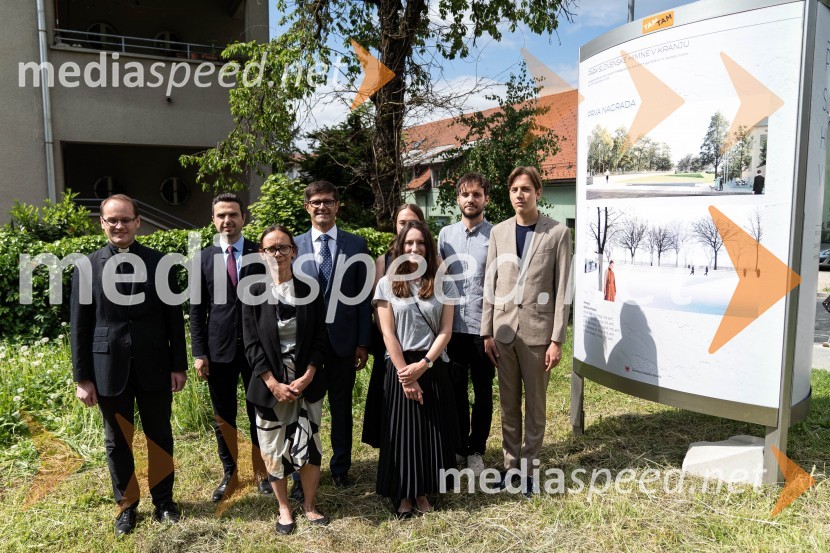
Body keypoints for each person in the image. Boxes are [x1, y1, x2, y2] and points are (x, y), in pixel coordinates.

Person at [71, 194, 187, 535]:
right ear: (102, 224)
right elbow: (80, 327)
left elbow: (173, 320)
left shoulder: (160, 263)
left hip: (155, 366)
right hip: (108, 368)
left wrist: (177, 365)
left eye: (125, 219)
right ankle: (127, 506)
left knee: (159, 436)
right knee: (116, 441)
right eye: (112, 220)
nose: (119, 226)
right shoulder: (87, 266)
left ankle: (164, 502)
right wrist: (82, 377)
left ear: (138, 222)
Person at [481, 167, 571, 495]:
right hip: (503, 334)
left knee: (535, 406)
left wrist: (557, 339)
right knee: (507, 405)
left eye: (526, 189)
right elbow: (490, 283)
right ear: (509, 194)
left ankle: (530, 469)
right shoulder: (498, 233)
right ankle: (509, 467)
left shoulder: (557, 233)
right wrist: (486, 332)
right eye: (514, 189)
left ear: (538, 192)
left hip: (538, 335)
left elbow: (563, 290)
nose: (520, 195)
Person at [242, 225, 331, 535]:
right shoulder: (252, 292)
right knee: (273, 447)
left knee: (310, 442)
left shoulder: (310, 289)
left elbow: (321, 338)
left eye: (283, 247)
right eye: (271, 249)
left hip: (307, 384)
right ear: (262, 254)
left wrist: (307, 376)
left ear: (294, 251)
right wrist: (273, 383)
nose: (277, 253)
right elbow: (251, 344)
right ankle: (283, 508)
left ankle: (308, 505)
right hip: (270, 388)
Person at [373, 220, 459, 517]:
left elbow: (446, 331)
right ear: (399, 247)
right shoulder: (386, 283)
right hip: (399, 366)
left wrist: (423, 366)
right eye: (408, 243)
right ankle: (403, 496)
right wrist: (406, 376)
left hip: (431, 364)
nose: (414, 248)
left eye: (420, 243)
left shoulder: (442, 281)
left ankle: (422, 493)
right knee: (402, 433)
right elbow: (387, 334)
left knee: (427, 431)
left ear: (428, 247)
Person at [190, 193, 270, 503]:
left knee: (259, 413)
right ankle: (231, 474)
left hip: (257, 349)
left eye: (233, 214)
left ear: (243, 218)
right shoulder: (202, 259)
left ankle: (263, 472)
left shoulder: (260, 253)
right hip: (218, 350)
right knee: (224, 416)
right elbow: (197, 311)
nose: (227, 220)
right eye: (221, 215)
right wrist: (199, 353)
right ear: (213, 220)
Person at [293, 181, 372, 496]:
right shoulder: (293, 245)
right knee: (304, 413)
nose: (322, 207)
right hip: (304, 346)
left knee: (341, 410)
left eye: (328, 201)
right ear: (307, 207)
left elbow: (364, 298)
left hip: (343, 343)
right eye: (315, 202)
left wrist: (363, 342)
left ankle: (341, 469)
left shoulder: (356, 245)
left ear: (338, 205)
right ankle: (303, 471)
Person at [437, 173, 495, 476]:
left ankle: (477, 449)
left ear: (486, 198)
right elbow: (438, 281)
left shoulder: (496, 235)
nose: (469, 200)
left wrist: (492, 330)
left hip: (483, 331)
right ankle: (459, 446)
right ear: (457, 199)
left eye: (475, 194)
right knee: (455, 392)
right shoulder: (445, 235)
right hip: (452, 329)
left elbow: (501, 284)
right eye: (464, 194)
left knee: (483, 393)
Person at [362, 203, 425, 449]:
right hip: (390, 343)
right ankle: (392, 447)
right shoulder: (383, 260)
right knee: (389, 398)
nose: (406, 227)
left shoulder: (432, 259)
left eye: (412, 221)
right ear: (395, 226)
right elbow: (378, 308)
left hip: (422, 344)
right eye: (402, 223)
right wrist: (393, 344)